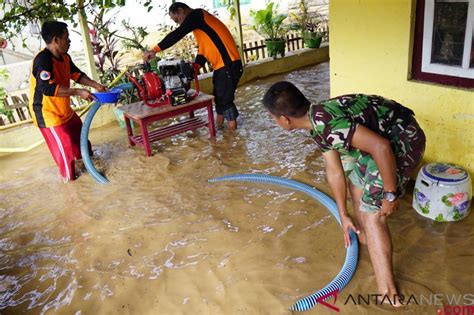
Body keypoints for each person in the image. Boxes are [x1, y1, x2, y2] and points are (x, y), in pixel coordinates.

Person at [262, 81, 426, 306]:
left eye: (273, 117)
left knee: (373, 215)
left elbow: (381, 148)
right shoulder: (316, 122)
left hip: (403, 140)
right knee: (355, 183)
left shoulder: (329, 126)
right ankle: (367, 238)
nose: (274, 121)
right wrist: (343, 215)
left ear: (284, 119)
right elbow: (335, 171)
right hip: (382, 140)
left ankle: (389, 293)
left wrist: (390, 194)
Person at [143, 2, 243, 130]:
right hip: (223, 67)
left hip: (229, 65)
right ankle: (220, 130)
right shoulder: (200, 25)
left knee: (225, 101)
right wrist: (196, 66)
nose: (178, 23)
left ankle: (232, 136)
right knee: (219, 99)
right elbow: (203, 51)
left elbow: (178, 33)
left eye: (177, 19)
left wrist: (155, 50)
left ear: (181, 10)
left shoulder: (196, 14)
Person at [29, 21, 107, 182]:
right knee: (67, 153)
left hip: (65, 111)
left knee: (83, 143)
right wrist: (78, 92)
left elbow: (76, 74)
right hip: (47, 114)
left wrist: (96, 86)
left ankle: (90, 173)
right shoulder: (42, 60)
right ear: (56, 40)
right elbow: (47, 88)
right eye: (66, 37)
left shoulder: (64, 57)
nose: (69, 41)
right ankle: (72, 187)